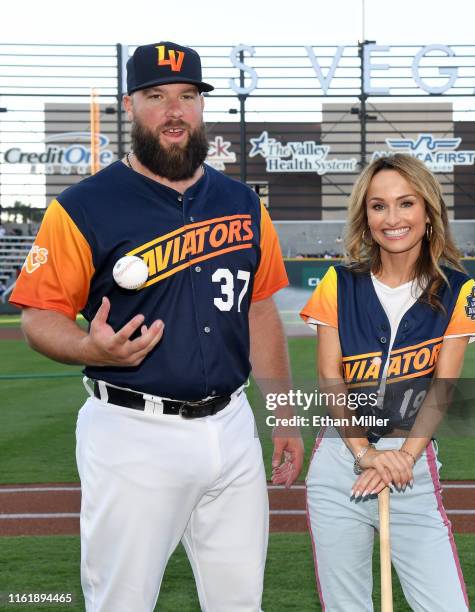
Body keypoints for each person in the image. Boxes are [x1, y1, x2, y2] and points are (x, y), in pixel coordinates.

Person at [10, 41, 303, 612]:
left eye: (187, 96)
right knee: (122, 601)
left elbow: (261, 307)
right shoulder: (82, 206)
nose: (175, 110)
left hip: (233, 425)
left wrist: (285, 417)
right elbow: (39, 316)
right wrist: (87, 345)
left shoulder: (243, 203)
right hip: (132, 430)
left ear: (200, 107)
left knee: (240, 602)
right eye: (156, 96)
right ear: (130, 105)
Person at [300, 154, 475, 611]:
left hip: (413, 470)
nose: (393, 218)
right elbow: (331, 377)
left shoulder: (461, 290)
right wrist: (365, 452)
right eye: (378, 206)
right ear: (365, 217)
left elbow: (443, 386)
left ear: (428, 211)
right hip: (340, 467)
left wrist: (403, 457)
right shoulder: (337, 283)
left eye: (406, 203)